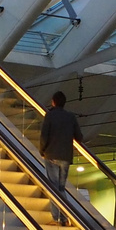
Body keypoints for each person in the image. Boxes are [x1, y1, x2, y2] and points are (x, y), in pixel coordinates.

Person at [39, 90, 83, 223]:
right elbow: (79, 137)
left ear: (53, 102)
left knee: (53, 187)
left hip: (51, 155)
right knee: (61, 187)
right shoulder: (71, 117)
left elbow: (44, 136)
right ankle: (64, 217)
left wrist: (42, 150)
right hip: (65, 157)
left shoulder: (50, 115)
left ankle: (58, 217)